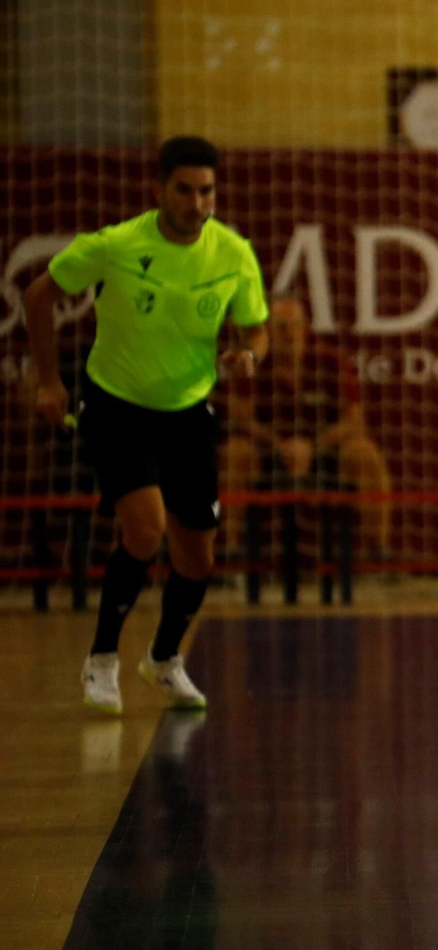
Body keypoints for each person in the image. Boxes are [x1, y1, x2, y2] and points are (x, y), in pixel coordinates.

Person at [24, 135, 269, 714]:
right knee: (143, 530)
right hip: (116, 406)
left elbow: (255, 327)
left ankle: (162, 660)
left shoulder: (234, 253)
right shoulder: (115, 245)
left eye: (206, 190)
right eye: (184, 189)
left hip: (187, 413)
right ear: (159, 189)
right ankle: (101, 660)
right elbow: (39, 296)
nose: (196, 202)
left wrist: (250, 354)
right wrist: (49, 381)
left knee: (198, 559)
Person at [219, 292, 394, 561]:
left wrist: (312, 447)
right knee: (235, 452)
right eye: (280, 327)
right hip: (270, 452)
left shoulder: (330, 362)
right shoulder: (253, 362)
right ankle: (231, 553)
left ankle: (378, 552)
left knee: (364, 453)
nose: (289, 333)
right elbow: (241, 418)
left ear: (306, 328)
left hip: (325, 452)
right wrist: (282, 446)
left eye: (294, 325)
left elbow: (354, 420)